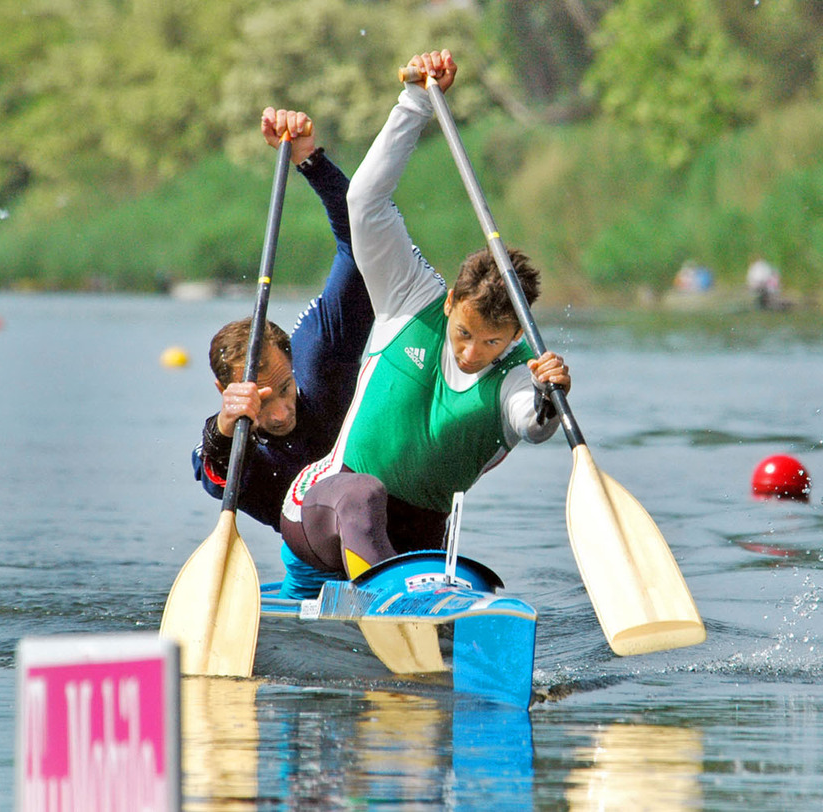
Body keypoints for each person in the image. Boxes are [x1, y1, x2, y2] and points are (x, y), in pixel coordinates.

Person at [276, 49, 571, 599]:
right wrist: (415, 99)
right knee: (364, 497)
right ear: (451, 302)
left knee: (478, 580)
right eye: (465, 332)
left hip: (409, 547)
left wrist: (550, 396)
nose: (471, 352)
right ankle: (397, 610)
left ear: (514, 338)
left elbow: (532, 422)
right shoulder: (410, 295)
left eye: (492, 342)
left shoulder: (516, 377)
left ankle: (411, 613)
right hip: (324, 513)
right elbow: (365, 203)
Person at [192, 108, 374, 531]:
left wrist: (310, 161)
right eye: (261, 399)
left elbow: (359, 241)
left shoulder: (319, 350)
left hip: (385, 519)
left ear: (292, 362)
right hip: (309, 557)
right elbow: (214, 475)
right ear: (225, 390)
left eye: (285, 389)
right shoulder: (230, 441)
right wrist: (222, 430)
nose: (277, 415)